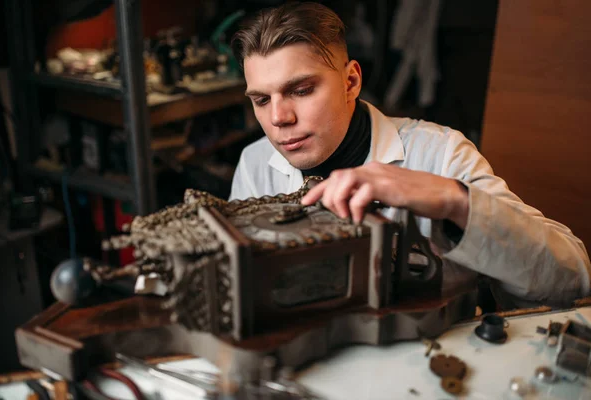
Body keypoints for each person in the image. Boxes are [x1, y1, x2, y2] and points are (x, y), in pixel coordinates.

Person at [228, 2, 590, 309]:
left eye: (302, 90)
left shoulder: (441, 153)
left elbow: (571, 279)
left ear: (351, 81)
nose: (278, 119)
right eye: (261, 100)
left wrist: (454, 202)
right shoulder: (255, 163)